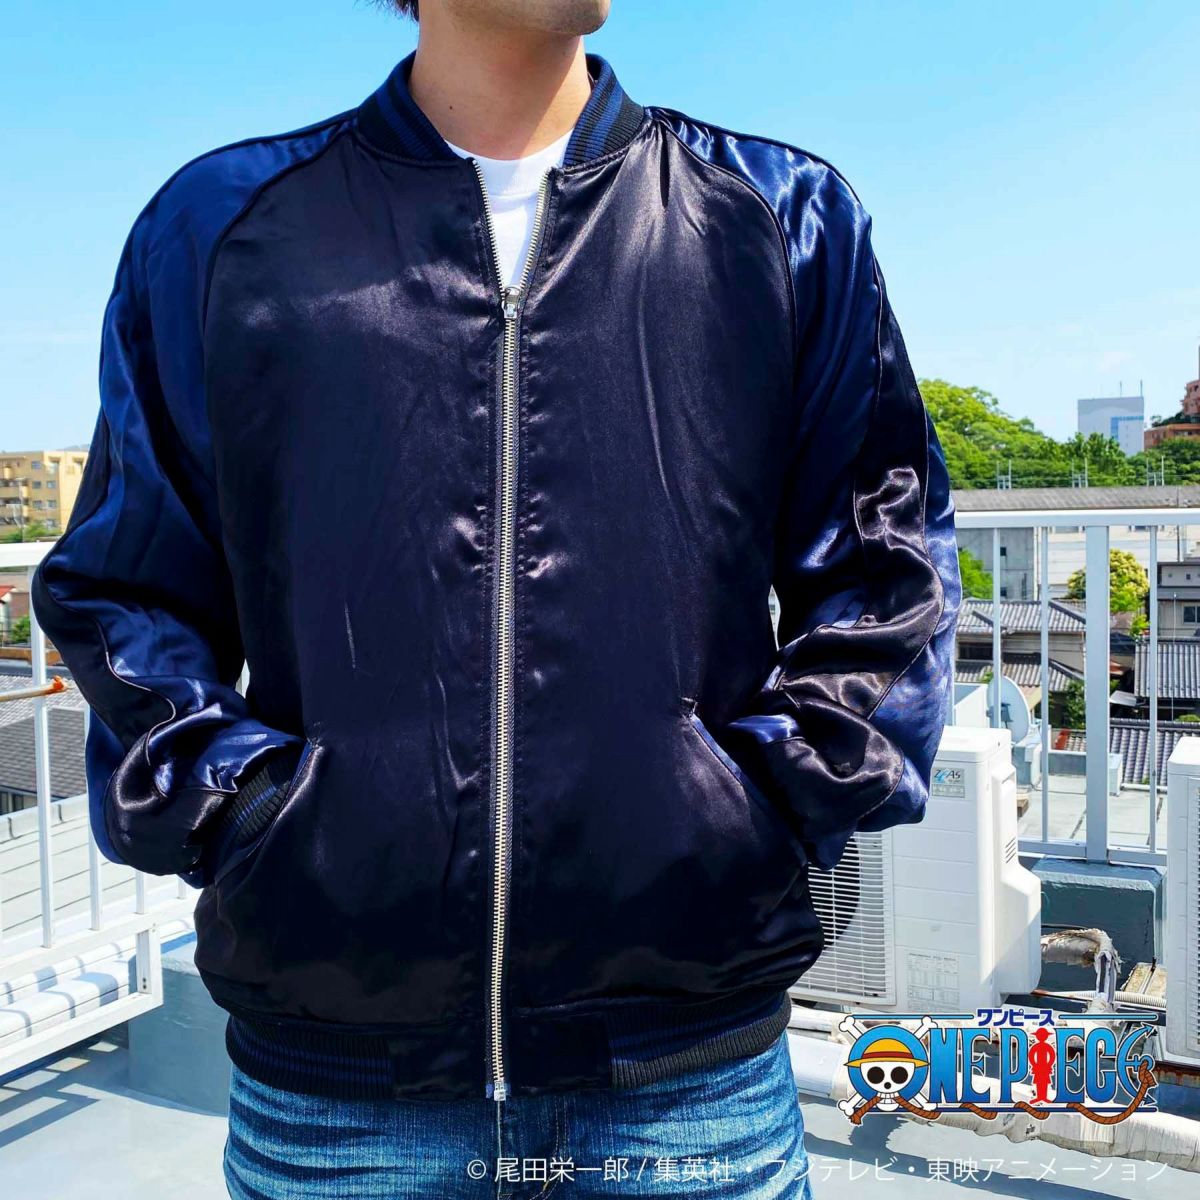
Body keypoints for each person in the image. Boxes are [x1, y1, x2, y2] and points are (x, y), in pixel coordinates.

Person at [32, 1, 961, 1195]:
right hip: (338, 1093)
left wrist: (758, 804)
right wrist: (248, 813)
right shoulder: (223, 229)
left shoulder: (779, 217)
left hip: (691, 1078)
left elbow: (887, 567)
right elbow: (125, 588)